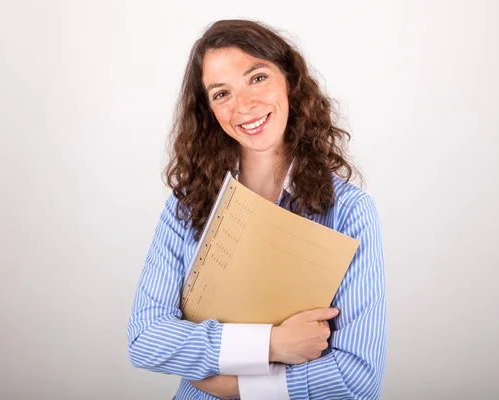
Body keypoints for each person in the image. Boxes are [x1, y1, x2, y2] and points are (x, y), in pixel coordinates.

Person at [127, 19, 386, 400]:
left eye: (257, 78)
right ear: (209, 111)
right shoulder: (186, 205)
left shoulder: (349, 212)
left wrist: (229, 384)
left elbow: (356, 380)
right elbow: (146, 338)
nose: (243, 105)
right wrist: (272, 343)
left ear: (291, 82)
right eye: (221, 94)